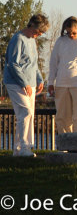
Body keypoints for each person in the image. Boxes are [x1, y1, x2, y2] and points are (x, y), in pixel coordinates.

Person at [2, 14, 48, 157]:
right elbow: (13, 64)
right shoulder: (18, 39)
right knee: (25, 112)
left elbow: (33, 63)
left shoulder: (32, 41)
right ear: (32, 26)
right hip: (15, 82)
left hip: (30, 83)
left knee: (28, 115)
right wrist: (24, 83)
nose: (38, 35)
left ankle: (19, 149)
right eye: (38, 32)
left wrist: (39, 79)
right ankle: (24, 147)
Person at [47, 16, 77, 133]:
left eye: (73, 33)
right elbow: (53, 62)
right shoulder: (60, 41)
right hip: (61, 84)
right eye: (68, 32)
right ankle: (65, 145)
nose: (71, 35)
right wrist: (50, 82)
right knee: (62, 117)